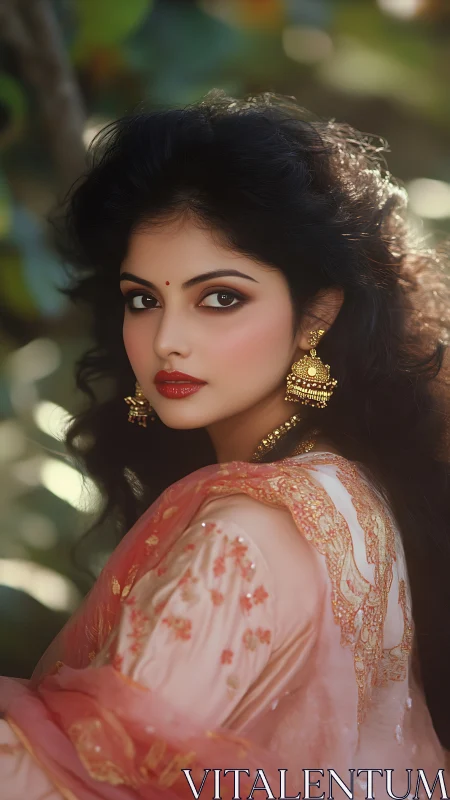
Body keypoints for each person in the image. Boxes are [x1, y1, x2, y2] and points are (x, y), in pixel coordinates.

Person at [1, 90, 450, 800]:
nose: (167, 339)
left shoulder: (242, 534)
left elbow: (83, 782)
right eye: (143, 298)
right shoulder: (352, 490)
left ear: (316, 315)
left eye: (220, 298)